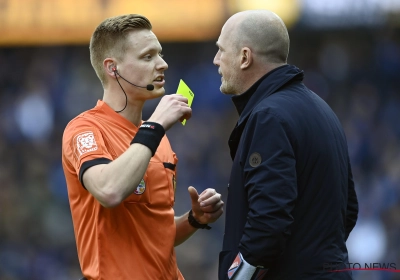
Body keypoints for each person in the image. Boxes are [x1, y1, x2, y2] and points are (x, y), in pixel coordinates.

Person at [62, 14, 224, 280]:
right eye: (148, 57)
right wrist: (155, 125)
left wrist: (195, 219)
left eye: (159, 54)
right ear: (112, 68)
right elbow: (110, 191)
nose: (163, 64)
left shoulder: (156, 136)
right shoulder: (84, 129)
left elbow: (155, 232)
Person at [213, 10, 358, 280]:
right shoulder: (322, 108)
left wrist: (238, 277)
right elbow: (348, 211)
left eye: (221, 50)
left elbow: (268, 224)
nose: (216, 60)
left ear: (244, 57)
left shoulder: (269, 117)